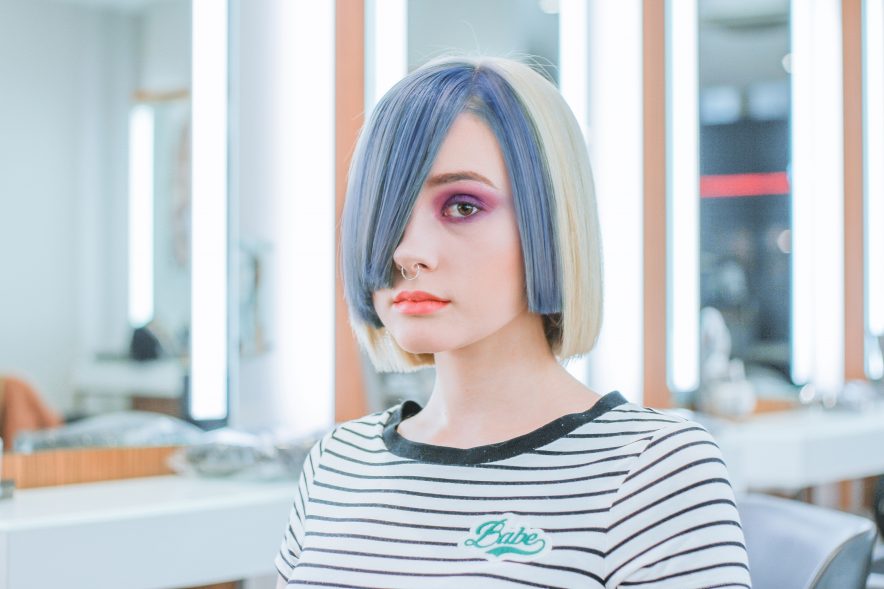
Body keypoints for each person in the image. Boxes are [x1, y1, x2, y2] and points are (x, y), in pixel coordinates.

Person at [275, 56, 751, 588]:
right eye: (386, 212)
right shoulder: (336, 465)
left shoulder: (653, 471)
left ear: (550, 220)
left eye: (461, 207)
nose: (407, 252)